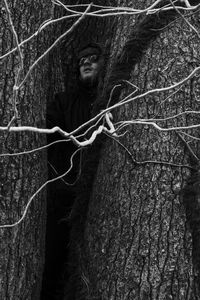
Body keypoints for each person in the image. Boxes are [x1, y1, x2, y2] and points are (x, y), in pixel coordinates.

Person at [40, 43, 104, 300]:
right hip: (63, 198)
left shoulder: (110, 100)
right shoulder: (63, 101)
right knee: (54, 264)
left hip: (97, 199)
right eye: (81, 61)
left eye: (93, 59)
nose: (86, 63)